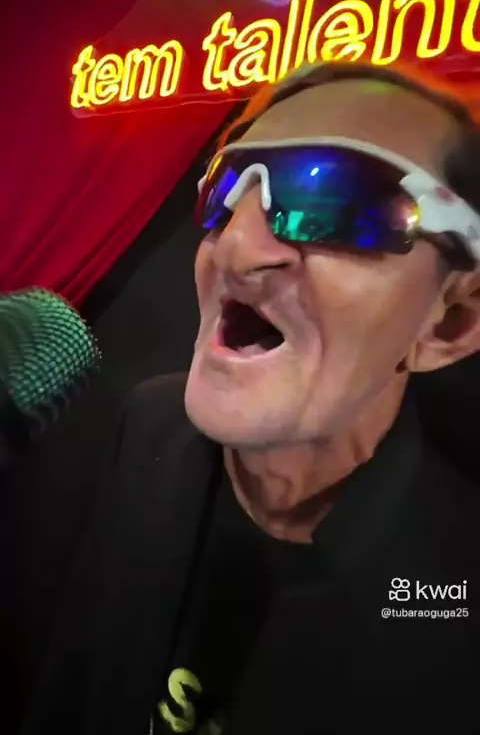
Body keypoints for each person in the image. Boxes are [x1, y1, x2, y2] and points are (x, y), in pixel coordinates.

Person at [22, 62, 480, 735]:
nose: (233, 246)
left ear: (450, 323)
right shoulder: (150, 425)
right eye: (225, 193)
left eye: (337, 203)